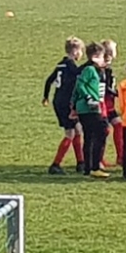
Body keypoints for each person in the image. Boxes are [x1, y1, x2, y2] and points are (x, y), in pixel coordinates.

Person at [43, 37, 85, 175]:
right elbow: (78, 73)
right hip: (66, 103)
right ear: (75, 51)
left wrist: (45, 97)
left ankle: (81, 162)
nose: (81, 54)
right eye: (81, 51)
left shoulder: (60, 65)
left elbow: (49, 80)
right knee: (70, 133)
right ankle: (56, 164)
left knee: (78, 129)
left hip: (58, 101)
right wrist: (91, 63)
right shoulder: (71, 66)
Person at [72, 42, 109, 178]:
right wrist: (88, 97)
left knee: (90, 136)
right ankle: (94, 166)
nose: (103, 60)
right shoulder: (89, 69)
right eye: (102, 57)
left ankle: (88, 168)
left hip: (89, 107)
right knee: (99, 132)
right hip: (89, 107)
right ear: (95, 57)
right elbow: (80, 84)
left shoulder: (96, 70)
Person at [100, 40, 124, 168]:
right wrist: (119, 93)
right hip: (103, 104)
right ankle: (99, 158)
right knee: (104, 130)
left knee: (118, 125)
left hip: (109, 104)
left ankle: (121, 156)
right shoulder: (103, 68)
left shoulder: (107, 67)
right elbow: (105, 87)